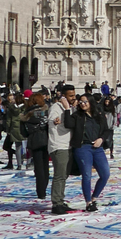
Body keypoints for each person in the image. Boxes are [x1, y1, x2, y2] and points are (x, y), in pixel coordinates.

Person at [71, 92, 112, 212]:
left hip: (97, 148)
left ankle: (94, 197)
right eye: (81, 102)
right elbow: (68, 123)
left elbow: (106, 130)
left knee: (105, 174)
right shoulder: (77, 116)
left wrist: (101, 139)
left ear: (90, 102)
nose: (83, 104)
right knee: (87, 175)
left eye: (85, 102)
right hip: (83, 147)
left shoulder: (98, 115)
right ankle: (88, 202)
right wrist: (68, 109)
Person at [48, 84, 76, 214]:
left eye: (74, 95)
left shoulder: (69, 108)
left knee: (64, 175)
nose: (73, 98)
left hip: (67, 145)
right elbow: (52, 120)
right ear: (63, 96)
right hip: (59, 145)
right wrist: (55, 121)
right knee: (59, 175)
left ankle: (60, 199)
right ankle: (56, 203)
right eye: (71, 96)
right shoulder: (56, 107)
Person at [20, 90, 50, 200]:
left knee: (38, 167)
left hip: (34, 141)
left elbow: (23, 132)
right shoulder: (46, 112)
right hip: (46, 140)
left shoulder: (26, 115)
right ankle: (44, 187)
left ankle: (40, 191)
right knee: (45, 165)